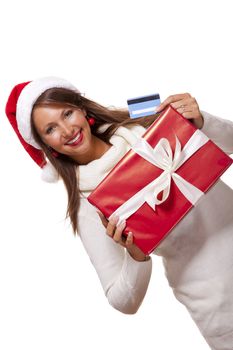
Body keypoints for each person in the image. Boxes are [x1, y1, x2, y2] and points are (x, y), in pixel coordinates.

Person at [5, 76, 233, 350]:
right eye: (51, 129)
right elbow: (123, 301)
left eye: (67, 113)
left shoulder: (141, 116)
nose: (66, 130)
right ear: (47, 146)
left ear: (82, 108)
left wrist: (201, 121)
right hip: (216, 300)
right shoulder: (88, 205)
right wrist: (136, 254)